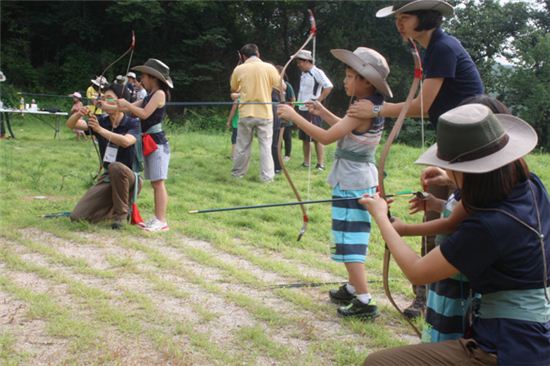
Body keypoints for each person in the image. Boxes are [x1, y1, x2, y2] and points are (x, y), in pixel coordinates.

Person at [361, 103, 549, 365]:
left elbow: (417, 271)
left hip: (508, 347)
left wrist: (381, 217)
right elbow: (469, 206)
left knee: (378, 362)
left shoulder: (487, 227)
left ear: (469, 174)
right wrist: (450, 181)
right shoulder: (529, 185)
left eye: (451, 168)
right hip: (535, 335)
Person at [348, 0, 485, 319]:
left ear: (424, 18)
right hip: (454, 144)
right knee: (438, 206)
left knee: (457, 214)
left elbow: (423, 105)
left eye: (405, 17)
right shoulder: (433, 47)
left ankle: (444, 294)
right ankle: (429, 295)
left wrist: (376, 109)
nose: (399, 23)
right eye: (397, 17)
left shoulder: (443, 47)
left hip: (470, 147)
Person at [278, 47, 393, 319]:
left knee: (349, 241)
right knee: (349, 236)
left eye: (350, 75)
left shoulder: (360, 110)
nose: (345, 80)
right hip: (359, 179)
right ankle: (354, 288)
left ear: (367, 82)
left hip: (352, 182)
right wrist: (322, 111)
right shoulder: (368, 107)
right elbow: (345, 128)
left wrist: (295, 117)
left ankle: (364, 301)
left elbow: (328, 138)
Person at [67, 83, 141, 230]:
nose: (104, 101)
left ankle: (121, 216)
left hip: (130, 177)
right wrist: (79, 113)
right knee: (77, 217)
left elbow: (126, 142)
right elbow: (71, 125)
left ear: (120, 101)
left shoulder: (133, 123)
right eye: (103, 98)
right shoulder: (102, 121)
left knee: (116, 167)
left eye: (110, 98)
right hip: (107, 177)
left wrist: (99, 130)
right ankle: (111, 210)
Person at [117, 58, 173, 232]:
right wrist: (109, 105)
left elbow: (143, 113)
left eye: (144, 76)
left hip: (158, 144)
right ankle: (157, 218)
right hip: (150, 143)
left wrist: (125, 104)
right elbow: (129, 108)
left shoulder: (159, 94)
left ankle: (161, 220)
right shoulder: (150, 95)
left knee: (158, 183)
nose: (141, 80)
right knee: (155, 182)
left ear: (153, 78)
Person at [230, 44, 281, 182]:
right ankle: (267, 177)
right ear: (258, 54)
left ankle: (238, 174)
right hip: (265, 113)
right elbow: (281, 86)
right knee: (265, 146)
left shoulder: (239, 69)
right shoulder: (269, 68)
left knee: (242, 145)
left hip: (246, 112)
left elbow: (234, 88)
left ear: (243, 56)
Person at [295, 49, 333, 171]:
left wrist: (318, 100)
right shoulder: (304, 73)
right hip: (302, 108)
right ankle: (306, 162)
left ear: (306, 61)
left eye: (300, 62)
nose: (298, 65)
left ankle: (320, 163)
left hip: (312, 109)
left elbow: (328, 86)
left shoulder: (316, 72)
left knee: (317, 137)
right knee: (304, 137)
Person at [275, 65, 297, 162]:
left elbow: (293, 100)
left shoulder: (287, 85)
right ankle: (277, 154)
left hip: (286, 115)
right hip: (276, 115)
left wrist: (289, 113)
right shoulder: (273, 86)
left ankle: (287, 155)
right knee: (277, 136)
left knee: (287, 136)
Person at [226, 92, 239, 160]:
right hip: (246, 122)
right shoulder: (248, 99)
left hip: (237, 123)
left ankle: (233, 156)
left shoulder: (237, 100)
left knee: (234, 139)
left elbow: (232, 111)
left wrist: (228, 121)